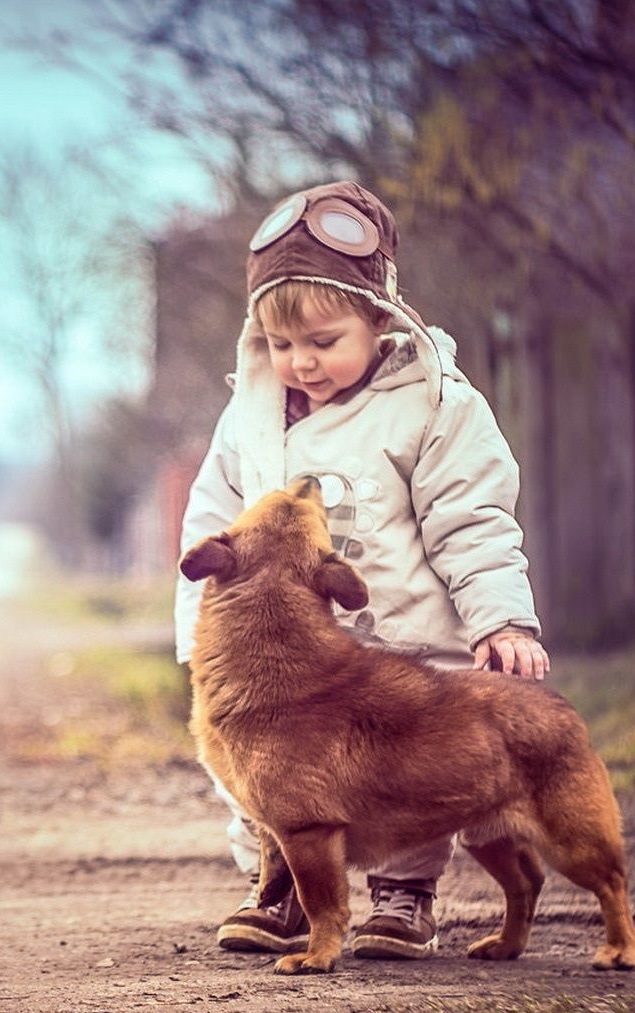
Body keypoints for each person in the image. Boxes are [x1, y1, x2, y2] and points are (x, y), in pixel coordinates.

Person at [174, 180, 549, 961]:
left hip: (401, 649)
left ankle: (406, 896)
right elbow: (212, 524)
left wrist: (501, 616)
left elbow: (472, 519)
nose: (300, 362)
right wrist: (196, 637)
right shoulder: (249, 415)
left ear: (380, 319)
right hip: (281, 662)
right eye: (281, 345)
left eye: (323, 340)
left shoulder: (433, 406)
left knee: (404, 769)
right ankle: (283, 885)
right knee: (267, 768)